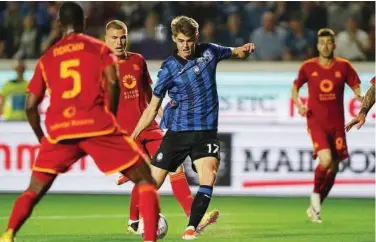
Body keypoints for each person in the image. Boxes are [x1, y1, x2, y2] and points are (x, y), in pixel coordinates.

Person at [0, 3, 159, 242]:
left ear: (59, 24)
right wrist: (112, 118)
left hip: (61, 132)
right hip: (96, 126)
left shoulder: (47, 58)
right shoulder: (98, 49)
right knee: (145, 179)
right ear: (84, 22)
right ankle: (149, 239)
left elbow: (31, 106)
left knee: (33, 190)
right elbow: (113, 83)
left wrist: (43, 140)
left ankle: (8, 234)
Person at [130, 15, 256, 240]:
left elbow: (236, 52)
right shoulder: (168, 68)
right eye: (180, 40)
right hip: (177, 134)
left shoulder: (210, 52)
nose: (185, 45)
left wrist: (245, 50)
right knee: (149, 186)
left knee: (209, 174)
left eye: (188, 40)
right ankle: (140, 223)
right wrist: (133, 136)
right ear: (173, 39)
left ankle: (191, 229)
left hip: (205, 132)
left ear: (196, 37)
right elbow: (152, 108)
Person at [104, 20, 194, 234]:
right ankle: (135, 219)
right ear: (105, 40)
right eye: (114, 38)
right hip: (126, 135)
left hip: (149, 128)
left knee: (175, 165)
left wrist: (167, 117)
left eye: (123, 36)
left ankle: (194, 217)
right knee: (147, 174)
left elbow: (150, 96)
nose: (120, 41)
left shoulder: (138, 60)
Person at [291, 28, 362, 224]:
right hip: (316, 122)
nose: (325, 46)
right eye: (322, 43)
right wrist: (299, 105)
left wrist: (360, 97)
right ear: (317, 45)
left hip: (337, 123)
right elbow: (295, 87)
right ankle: (315, 197)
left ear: (334, 45)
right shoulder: (308, 67)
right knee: (326, 159)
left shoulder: (344, 66)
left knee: (334, 168)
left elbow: (356, 86)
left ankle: (315, 206)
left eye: (329, 43)